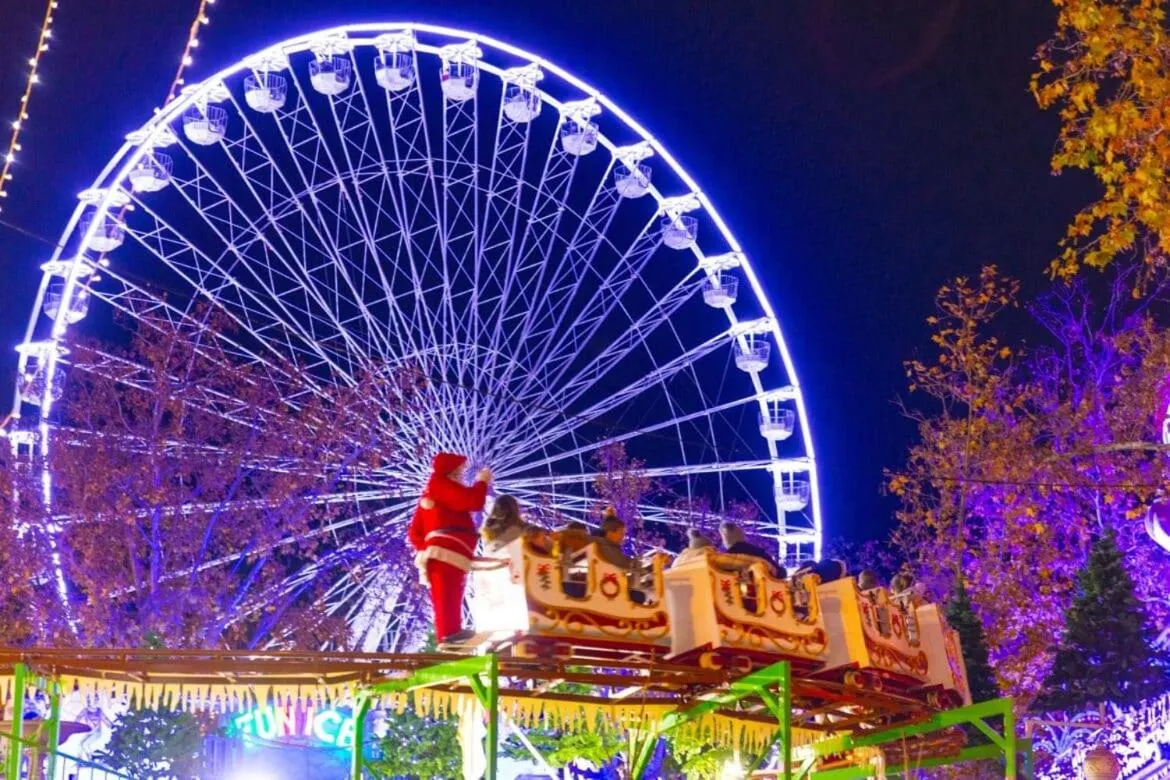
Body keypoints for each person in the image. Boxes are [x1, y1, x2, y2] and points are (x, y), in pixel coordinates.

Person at [408, 452, 493, 644]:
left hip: (448, 551)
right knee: (447, 593)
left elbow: (414, 533)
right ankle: (448, 634)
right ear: (452, 472)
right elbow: (473, 502)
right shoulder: (441, 486)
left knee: (450, 593)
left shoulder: (431, 492)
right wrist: (482, 482)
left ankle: (451, 632)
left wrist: (427, 546)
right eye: (461, 471)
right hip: (447, 550)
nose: (463, 475)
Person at [719, 523, 784, 577]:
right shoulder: (759, 553)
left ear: (725, 536)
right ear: (741, 534)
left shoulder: (724, 561)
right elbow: (781, 573)